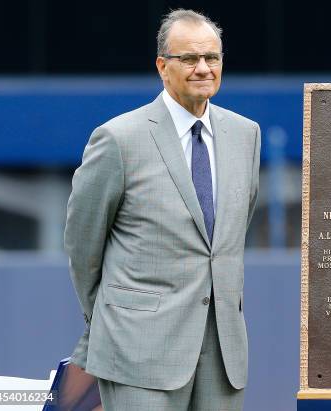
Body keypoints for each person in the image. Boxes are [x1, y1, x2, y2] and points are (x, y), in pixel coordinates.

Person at [64, 9, 260, 411]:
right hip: (137, 349)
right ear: (162, 66)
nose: (203, 68)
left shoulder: (246, 134)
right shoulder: (118, 139)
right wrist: (112, 317)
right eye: (189, 59)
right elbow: (82, 245)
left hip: (223, 353)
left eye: (212, 58)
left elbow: (229, 236)